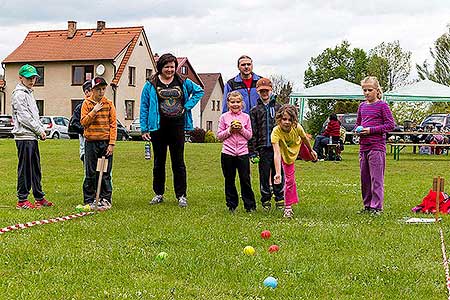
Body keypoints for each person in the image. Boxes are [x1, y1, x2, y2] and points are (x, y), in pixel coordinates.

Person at [140, 53, 204, 208]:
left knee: (178, 162)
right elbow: (144, 106)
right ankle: (158, 193)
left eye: (172, 67)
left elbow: (199, 91)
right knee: (158, 162)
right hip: (158, 128)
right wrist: (144, 129)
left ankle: (181, 195)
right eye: (166, 66)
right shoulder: (151, 84)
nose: (169, 70)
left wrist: (187, 106)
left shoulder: (182, 81)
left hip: (177, 127)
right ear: (160, 67)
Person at [11, 64, 53, 209]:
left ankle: (39, 197)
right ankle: (22, 200)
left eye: (34, 77)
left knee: (35, 168)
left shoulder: (29, 93)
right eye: (29, 77)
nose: (32, 80)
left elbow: (34, 116)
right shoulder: (19, 94)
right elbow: (24, 117)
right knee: (25, 169)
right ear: (20, 78)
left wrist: (41, 129)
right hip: (23, 137)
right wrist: (38, 130)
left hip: (32, 136)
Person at [355, 76, 395, 215]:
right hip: (363, 147)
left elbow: (390, 125)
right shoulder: (362, 106)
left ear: (377, 90)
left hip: (377, 147)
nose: (366, 93)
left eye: (369, 90)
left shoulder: (382, 105)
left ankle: (376, 207)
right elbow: (358, 123)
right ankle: (367, 206)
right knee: (364, 179)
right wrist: (358, 130)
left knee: (376, 179)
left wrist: (371, 130)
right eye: (364, 90)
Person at [272, 104, 317, 218]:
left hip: (299, 146)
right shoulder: (276, 132)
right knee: (290, 180)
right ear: (279, 119)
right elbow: (276, 154)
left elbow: (304, 138)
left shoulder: (297, 127)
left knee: (310, 157)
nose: (287, 122)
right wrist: (277, 173)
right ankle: (288, 207)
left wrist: (311, 150)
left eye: (290, 120)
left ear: (294, 120)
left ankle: (311, 158)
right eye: (284, 119)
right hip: (287, 154)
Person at [248, 77, 284, 210]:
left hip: (278, 148)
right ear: (257, 92)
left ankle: (280, 198)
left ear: (271, 90)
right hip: (263, 148)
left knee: (279, 173)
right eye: (261, 91)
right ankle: (265, 200)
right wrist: (253, 151)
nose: (264, 93)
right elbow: (253, 133)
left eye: (266, 91)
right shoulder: (254, 110)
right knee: (264, 175)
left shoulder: (279, 108)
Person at [80, 77, 116, 209]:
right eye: (98, 89)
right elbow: (83, 122)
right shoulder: (87, 104)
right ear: (92, 90)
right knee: (90, 172)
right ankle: (89, 199)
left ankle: (105, 198)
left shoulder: (109, 104)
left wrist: (111, 144)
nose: (101, 92)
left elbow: (113, 125)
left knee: (104, 172)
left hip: (105, 144)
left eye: (103, 89)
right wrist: (94, 111)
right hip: (91, 143)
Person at [217, 91, 256, 213]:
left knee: (245, 179)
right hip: (227, 153)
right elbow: (219, 136)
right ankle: (231, 205)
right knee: (229, 180)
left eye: (238, 102)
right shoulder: (224, 117)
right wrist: (229, 130)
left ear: (242, 103)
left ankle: (250, 206)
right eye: (232, 102)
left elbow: (249, 135)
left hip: (243, 153)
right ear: (228, 104)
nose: (235, 104)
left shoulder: (246, 117)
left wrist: (241, 129)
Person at [69, 80, 92, 162]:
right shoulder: (80, 107)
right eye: (94, 90)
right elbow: (74, 124)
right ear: (87, 92)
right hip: (86, 146)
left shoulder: (101, 105)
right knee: (89, 171)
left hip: (100, 146)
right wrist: (87, 131)